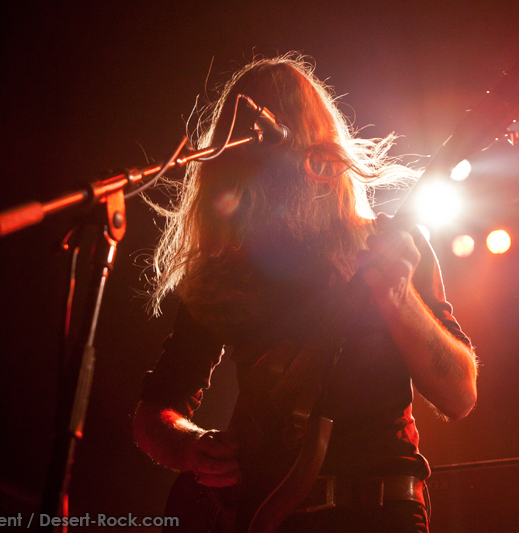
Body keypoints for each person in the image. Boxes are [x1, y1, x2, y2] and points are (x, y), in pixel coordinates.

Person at [133, 54, 477, 533]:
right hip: (267, 515)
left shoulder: (392, 246)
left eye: (281, 134)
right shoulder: (227, 268)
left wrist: (398, 296)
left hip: (383, 511)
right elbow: (156, 411)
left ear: (319, 150)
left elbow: (459, 394)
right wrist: (191, 445)